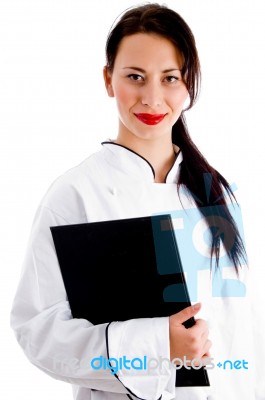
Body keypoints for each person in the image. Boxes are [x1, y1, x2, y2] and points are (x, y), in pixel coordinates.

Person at [10, 3, 258, 400]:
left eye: (170, 78)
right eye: (135, 77)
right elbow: (38, 332)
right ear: (109, 80)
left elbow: (240, 327)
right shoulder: (75, 195)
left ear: (188, 83)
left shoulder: (216, 192)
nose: (153, 98)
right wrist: (157, 345)